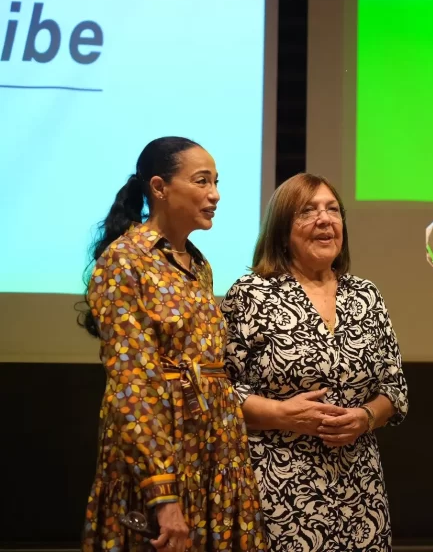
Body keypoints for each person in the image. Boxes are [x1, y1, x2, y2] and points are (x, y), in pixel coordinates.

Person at [79, 136, 267, 551]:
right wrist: (163, 494)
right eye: (202, 181)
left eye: (216, 182)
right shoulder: (124, 260)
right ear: (159, 187)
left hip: (215, 448)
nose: (214, 194)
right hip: (161, 450)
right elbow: (133, 383)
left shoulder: (198, 263)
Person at [221, 173, 408, 552]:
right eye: (308, 211)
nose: (325, 220)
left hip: (360, 491)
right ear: (282, 228)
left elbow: (394, 388)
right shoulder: (250, 294)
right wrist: (280, 414)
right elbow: (219, 392)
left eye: (333, 210)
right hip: (278, 488)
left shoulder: (366, 295)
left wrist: (367, 417)